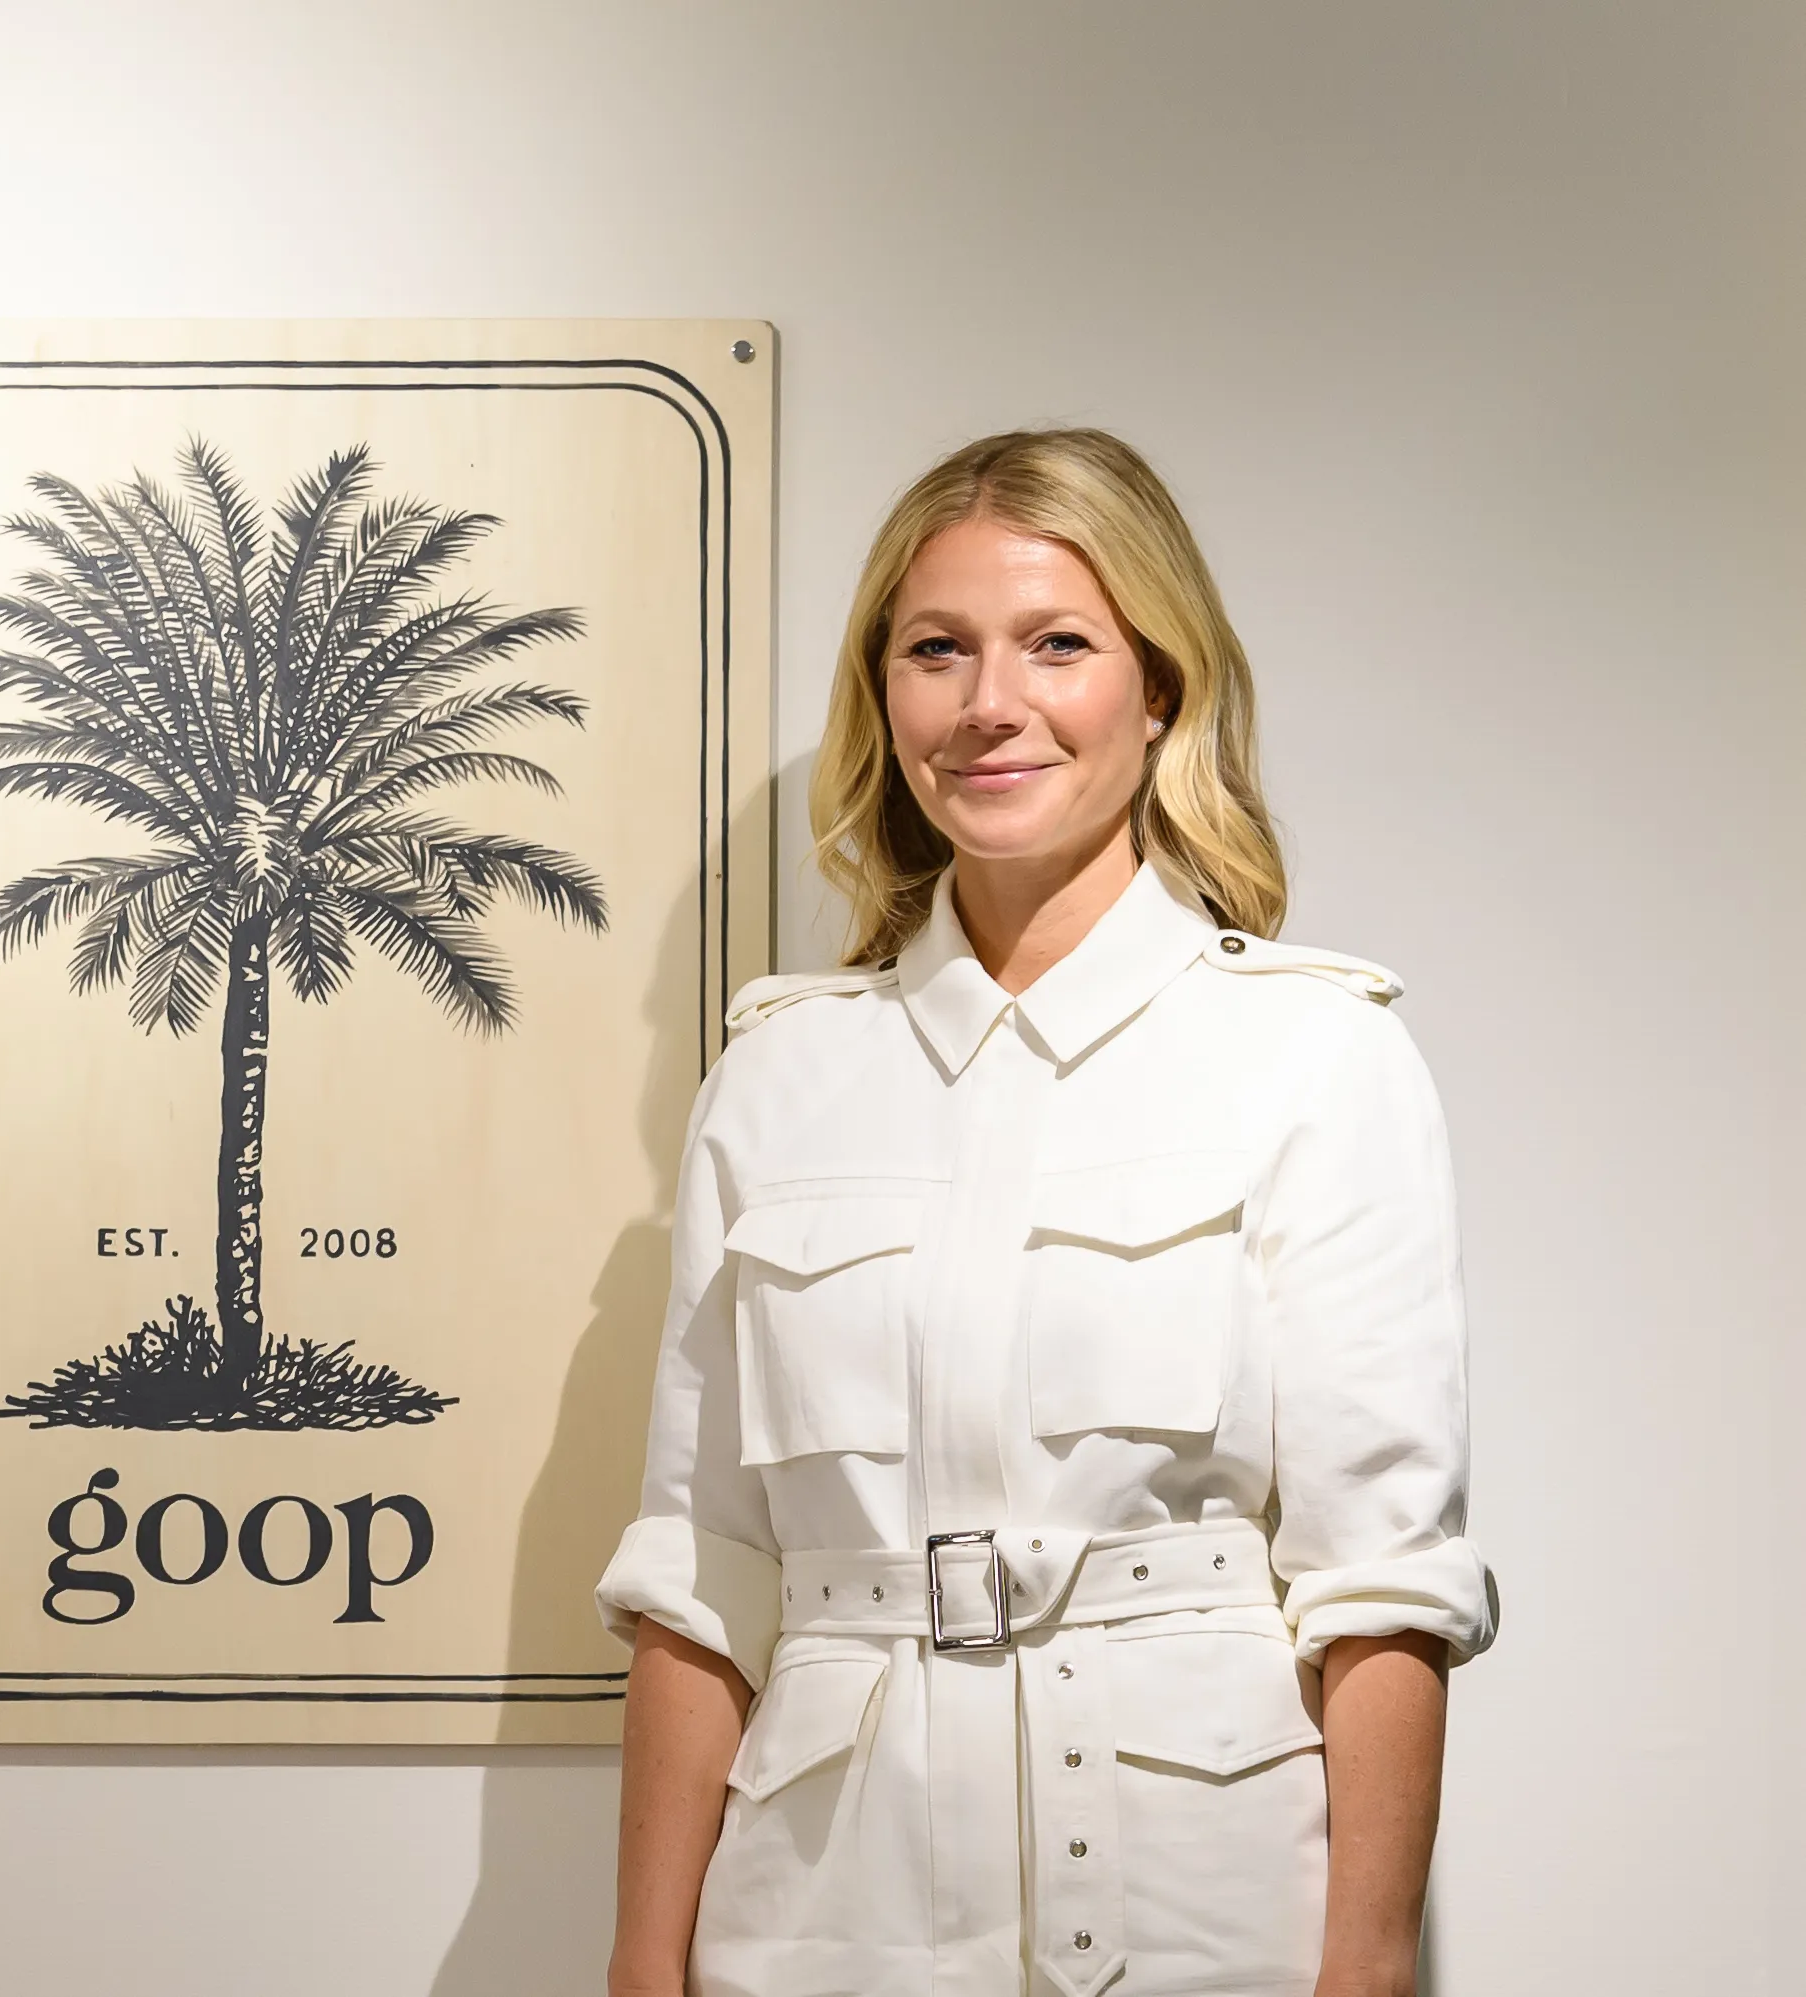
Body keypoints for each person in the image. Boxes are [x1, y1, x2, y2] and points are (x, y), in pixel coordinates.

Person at [596, 429, 1494, 1997]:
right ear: (884, 696)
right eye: (936, 649)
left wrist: (1368, 1974)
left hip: (1204, 1922)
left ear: (1161, 691)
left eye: (1059, 644)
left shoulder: (1314, 1053)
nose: (989, 703)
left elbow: (1382, 1583)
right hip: (823, 1918)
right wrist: (639, 1967)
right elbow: (702, 1573)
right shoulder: (778, 1079)